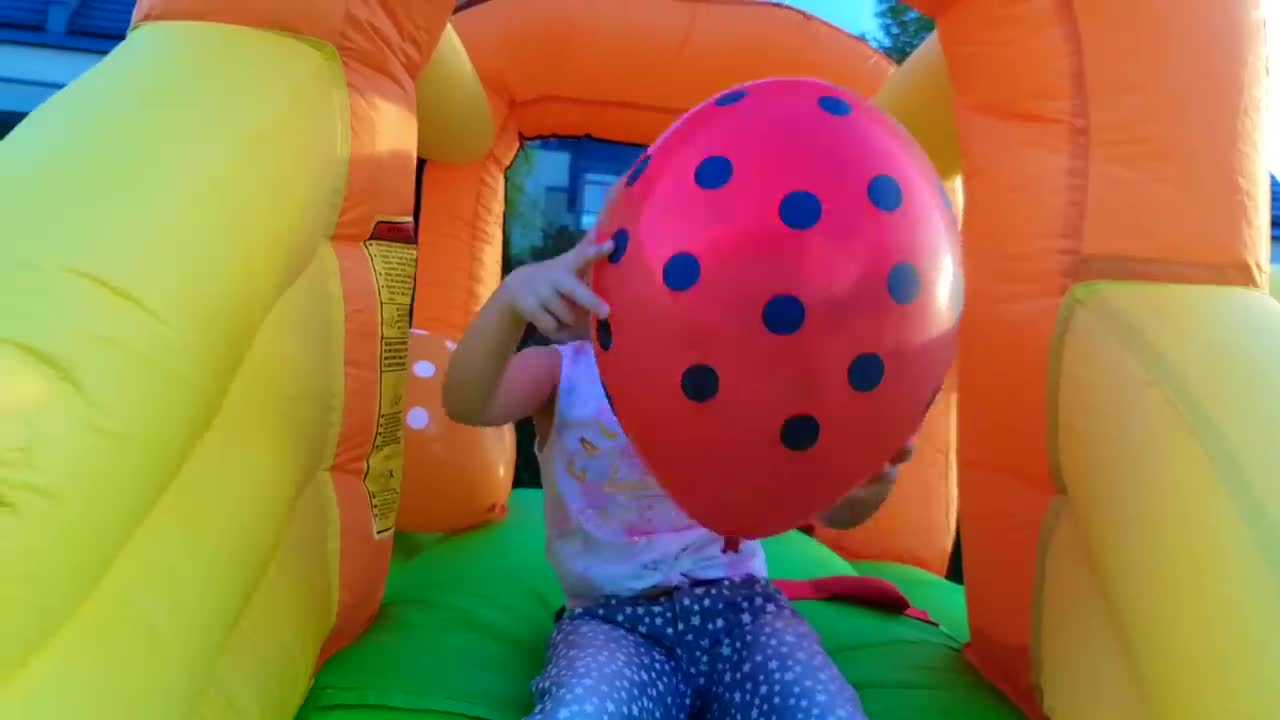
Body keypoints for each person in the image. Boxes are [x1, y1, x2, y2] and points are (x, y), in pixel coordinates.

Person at [443, 234, 913, 720]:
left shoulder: (742, 385)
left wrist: (861, 486)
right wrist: (512, 299)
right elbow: (469, 403)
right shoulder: (563, 373)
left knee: (822, 711)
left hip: (740, 613)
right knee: (581, 711)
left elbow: (827, 508)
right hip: (614, 623)